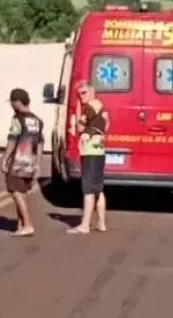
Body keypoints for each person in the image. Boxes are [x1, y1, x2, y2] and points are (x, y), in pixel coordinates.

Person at [1, 88, 44, 237]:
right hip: (30, 161)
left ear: (18, 102)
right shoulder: (38, 121)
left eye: (12, 102)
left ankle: (27, 224)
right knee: (23, 192)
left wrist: (5, 158)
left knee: (15, 191)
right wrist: (37, 164)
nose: (11, 105)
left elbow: (12, 139)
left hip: (18, 161)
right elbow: (40, 144)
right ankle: (20, 225)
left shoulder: (18, 120)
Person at [68, 80, 109, 234]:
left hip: (90, 152)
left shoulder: (90, 108)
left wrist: (79, 108)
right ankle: (101, 223)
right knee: (98, 189)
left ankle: (84, 225)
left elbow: (79, 127)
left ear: (92, 92)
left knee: (88, 190)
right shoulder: (101, 107)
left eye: (84, 93)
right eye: (79, 95)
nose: (81, 97)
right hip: (99, 151)